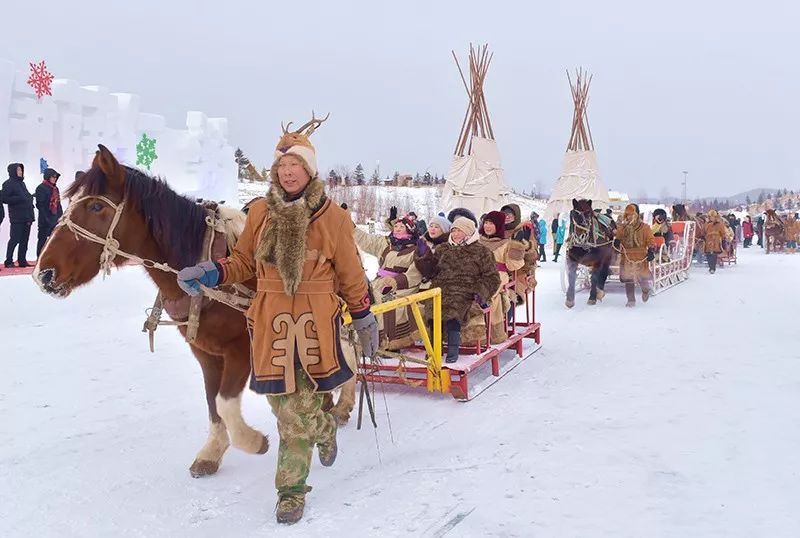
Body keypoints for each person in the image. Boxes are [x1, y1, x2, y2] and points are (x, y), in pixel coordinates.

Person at [176, 122, 379, 525]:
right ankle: (324, 428)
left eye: (295, 165)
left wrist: (362, 314)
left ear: (310, 171)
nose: (287, 171)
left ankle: (290, 491)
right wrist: (212, 272)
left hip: (315, 323)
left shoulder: (333, 217)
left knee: (292, 415)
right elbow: (244, 262)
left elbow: (352, 272)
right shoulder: (261, 212)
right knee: (282, 404)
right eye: (282, 164)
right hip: (270, 323)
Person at [429, 217, 500, 363]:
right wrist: (423, 258)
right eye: (453, 230)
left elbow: (492, 277)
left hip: (466, 290)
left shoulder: (481, 251)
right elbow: (430, 271)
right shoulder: (443, 248)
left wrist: (481, 292)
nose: (455, 234)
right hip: (440, 288)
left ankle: (453, 349)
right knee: (431, 308)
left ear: (468, 232)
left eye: (459, 231)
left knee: (454, 308)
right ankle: (434, 348)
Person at [353, 212, 423, 350]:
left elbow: (415, 273)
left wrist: (397, 282)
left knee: (386, 302)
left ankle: (389, 342)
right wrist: (351, 227)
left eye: (401, 227)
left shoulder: (417, 249)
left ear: (409, 230)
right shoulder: (386, 244)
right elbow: (367, 240)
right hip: (380, 282)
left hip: (403, 286)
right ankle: (364, 340)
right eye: (396, 226)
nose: (397, 229)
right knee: (364, 299)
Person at [479, 211, 525, 343]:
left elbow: (513, 266)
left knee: (488, 294)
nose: (487, 226)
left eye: (491, 223)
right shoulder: (478, 242)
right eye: (486, 223)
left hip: (498, 275)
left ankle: (491, 333)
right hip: (477, 274)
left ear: (498, 225)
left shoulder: (506, 243)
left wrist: (516, 249)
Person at [614, 203, 655, 307]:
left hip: (640, 256)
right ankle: (631, 300)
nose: (629, 217)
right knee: (629, 279)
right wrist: (617, 241)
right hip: (627, 256)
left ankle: (645, 290)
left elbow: (650, 240)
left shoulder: (645, 228)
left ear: (636, 214)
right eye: (627, 214)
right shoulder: (623, 228)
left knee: (643, 277)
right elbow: (618, 237)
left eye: (631, 214)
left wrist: (651, 250)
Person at [2, 163, 35, 268]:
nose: (20, 172)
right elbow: (4, 198)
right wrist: (20, 199)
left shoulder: (22, 184)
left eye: (21, 170)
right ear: (13, 171)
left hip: (27, 216)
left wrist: (30, 197)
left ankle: (22, 260)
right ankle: (8, 260)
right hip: (17, 217)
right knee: (14, 239)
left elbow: (26, 196)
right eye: (18, 170)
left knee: (25, 240)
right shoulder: (8, 184)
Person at [34, 168, 63, 256]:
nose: (54, 179)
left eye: (55, 177)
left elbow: (58, 204)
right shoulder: (40, 188)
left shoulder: (55, 189)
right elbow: (40, 205)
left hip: (55, 219)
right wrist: (47, 219)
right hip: (45, 220)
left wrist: (61, 217)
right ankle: (39, 257)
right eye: (52, 177)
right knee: (42, 240)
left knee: (55, 240)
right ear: (48, 177)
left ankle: (52, 257)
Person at [702, 209, 727, 274]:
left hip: (716, 240)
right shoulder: (706, 224)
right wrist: (703, 237)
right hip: (708, 240)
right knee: (708, 255)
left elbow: (723, 232)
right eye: (710, 216)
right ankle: (711, 267)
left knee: (714, 254)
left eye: (713, 217)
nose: (712, 218)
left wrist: (723, 238)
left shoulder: (719, 224)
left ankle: (713, 268)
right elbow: (703, 232)